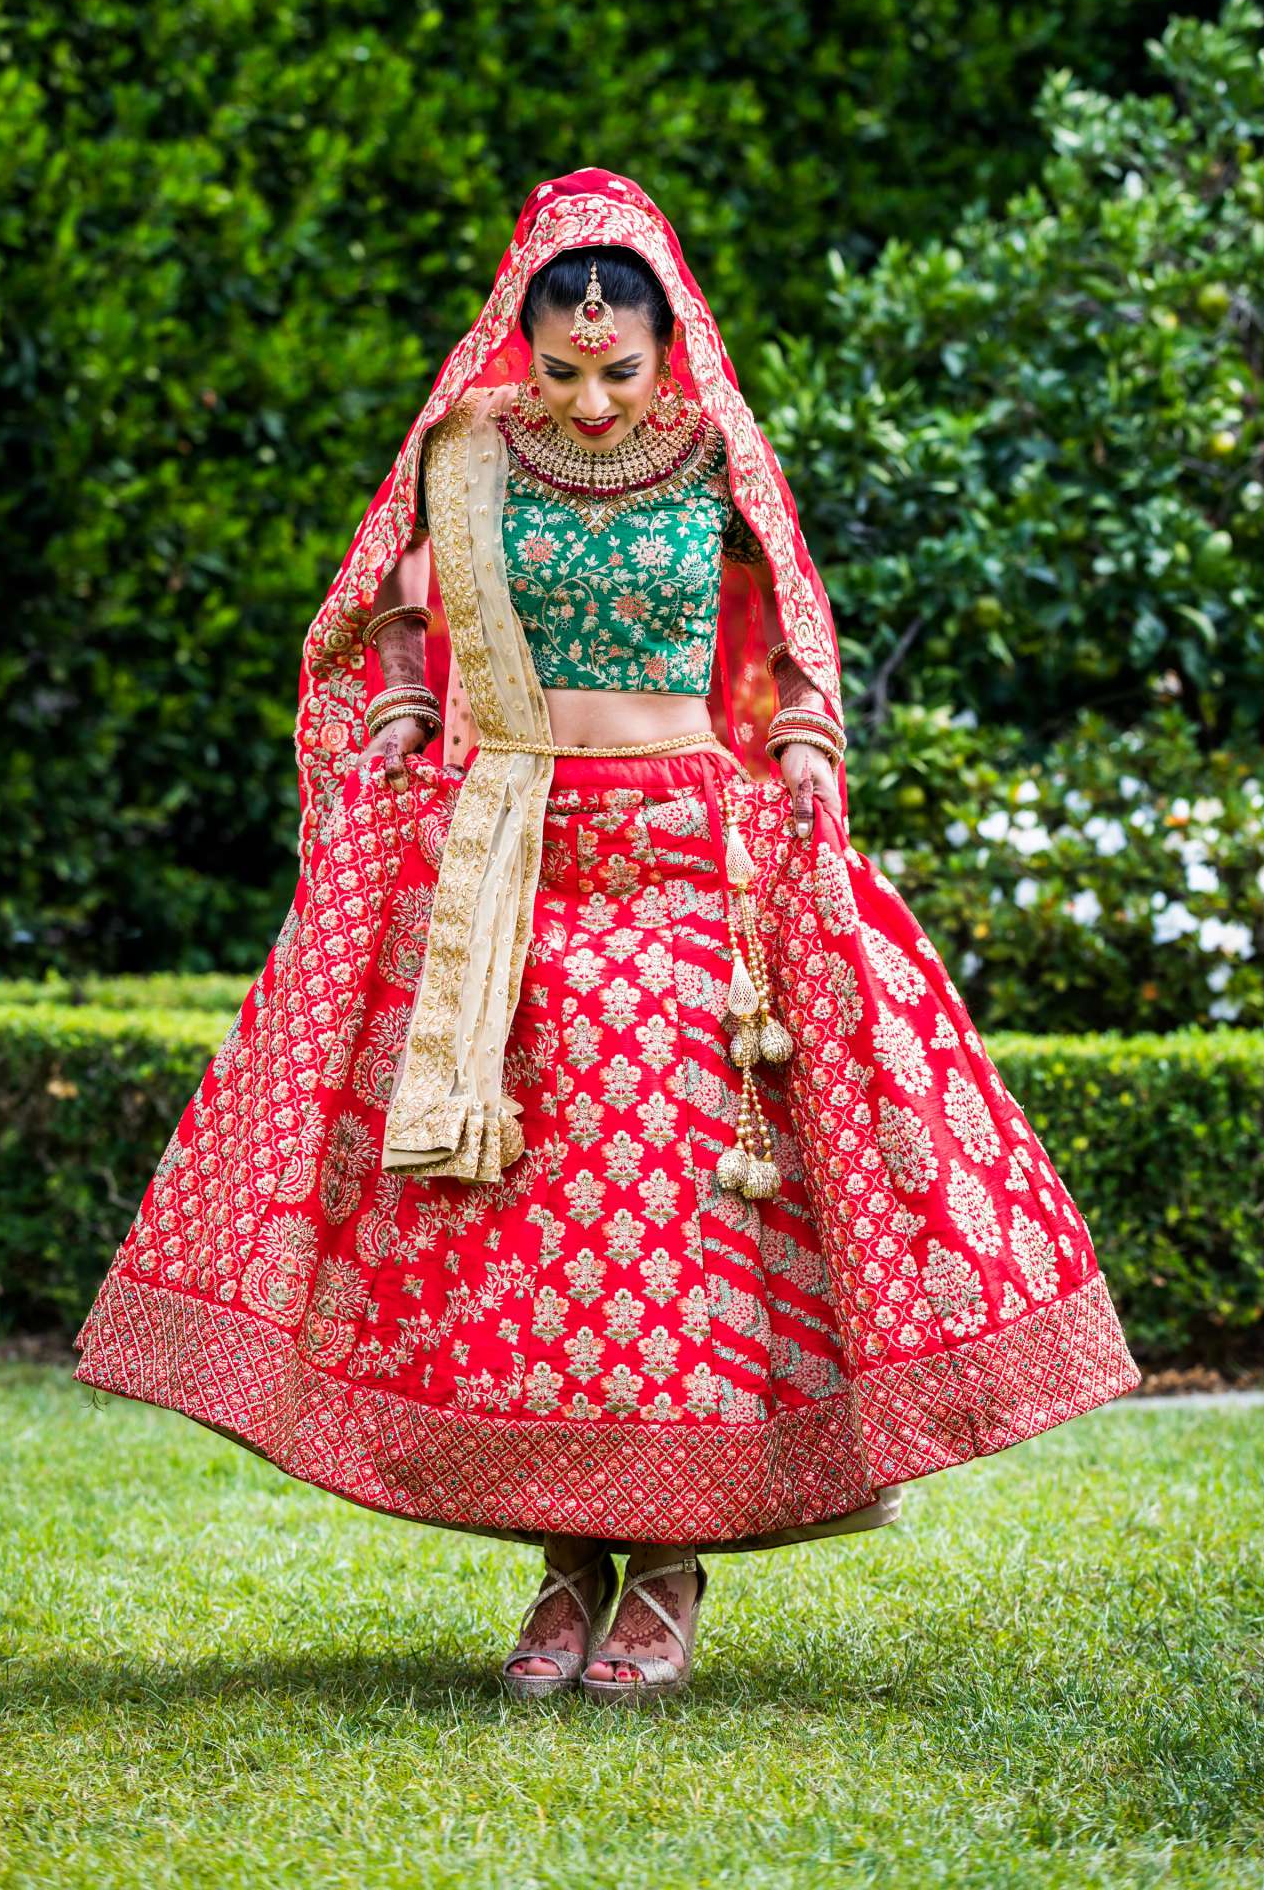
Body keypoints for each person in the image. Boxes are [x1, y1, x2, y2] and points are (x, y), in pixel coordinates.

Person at [73, 167, 1141, 1706]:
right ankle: (567, 1569)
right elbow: (390, 596)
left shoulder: (715, 455)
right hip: (509, 862)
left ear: (669, 350)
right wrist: (404, 694)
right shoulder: (470, 453)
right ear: (522, 349)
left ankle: (675, 1574)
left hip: (686, 858)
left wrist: (811, 745)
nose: (587, 401)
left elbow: (794, 623)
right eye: (563, 370)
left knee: (669, 1201)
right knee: (521, 1210)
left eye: (617, 372)